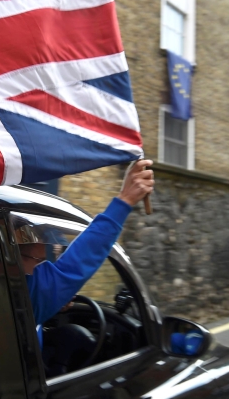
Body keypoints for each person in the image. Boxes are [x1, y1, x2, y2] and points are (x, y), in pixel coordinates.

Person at [18, 159, 154, 374]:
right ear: (8, 259)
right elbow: (78, 261)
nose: (43, 268)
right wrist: (125, 200)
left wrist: (52, 305)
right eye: (36, 261)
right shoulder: (22, 293)